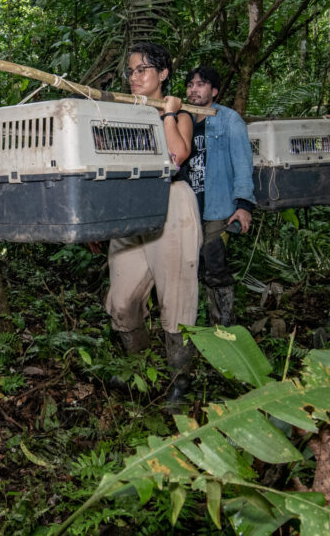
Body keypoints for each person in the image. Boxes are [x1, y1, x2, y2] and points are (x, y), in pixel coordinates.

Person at [104, 42, 202, 406]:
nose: (134, 77)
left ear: (163, 74)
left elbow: (176, 155)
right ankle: (141, 372)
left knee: (176, 296)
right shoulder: (119, 113)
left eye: (142, 69)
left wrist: (167, 114)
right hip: (130, 207)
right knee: (122, 301)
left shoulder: (182, 114)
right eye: (130, 70)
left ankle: (179, 380)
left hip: (172, 202)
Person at [183, 66, 255, 327]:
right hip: (187, 206)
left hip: (218, 206)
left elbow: (243, 163)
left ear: (213, 91)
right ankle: (195, 324)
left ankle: (223, 328)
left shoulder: (229, 119)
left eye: (201, 84)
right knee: (190, 266)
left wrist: (244, 205)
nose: (194, 89)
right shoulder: (182, 119)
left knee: (215, 264)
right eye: (190, 84)